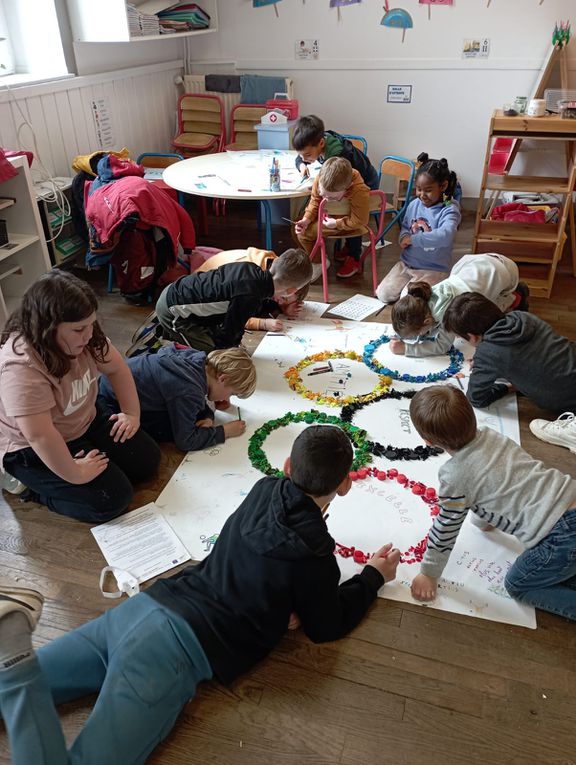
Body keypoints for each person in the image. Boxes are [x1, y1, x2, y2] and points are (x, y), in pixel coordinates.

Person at [0, 425, 401, 764]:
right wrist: (371, 577)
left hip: (144, 608)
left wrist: (283, 602)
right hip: (172, 655)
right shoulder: (315, 557)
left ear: (287, 467)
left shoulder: (264, 489)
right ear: (346, 485)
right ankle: (16, 659)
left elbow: (259, 555)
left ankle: (12, 660)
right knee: (20, 684)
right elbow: (325, 626)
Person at [0, 271, 160, 523]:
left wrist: (131, 414)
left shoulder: (87, 337)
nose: (88, 335)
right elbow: (40, 435)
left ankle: (78, 468)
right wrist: (74, 473)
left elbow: (118, 369)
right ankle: (31, 489)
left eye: (91, 324)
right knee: (111, 499)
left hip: (82, 417)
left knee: (147, 462)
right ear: (47, 329)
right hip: (33, 448)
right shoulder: (20, 367)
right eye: (78, 329)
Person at [408, 385, 576, 621]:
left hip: (560, 536)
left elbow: (445, 528)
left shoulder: (454, 475)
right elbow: (497, 481)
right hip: (570, 495)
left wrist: (429, 573)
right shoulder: (492, 435)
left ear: (428, 441)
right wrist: (484, 519)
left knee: (519, 584)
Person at [152, 247, 312, 353]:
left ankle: (166, 332)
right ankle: (166, 339)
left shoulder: (253, 270)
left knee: (227, 345)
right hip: (173, 312)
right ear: (292, 291)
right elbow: (230, 332)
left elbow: (248, 307)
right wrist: (232, 351)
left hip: (177, 292)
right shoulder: (250, 296)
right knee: (216, 354)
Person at [98, 345, 256, 452]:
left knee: (189, 416)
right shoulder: (188, 390)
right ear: (222, 378)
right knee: (170, 430)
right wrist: (224, 431)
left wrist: (206, 415)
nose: (228, 398)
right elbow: (186, 441)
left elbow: (189, 396)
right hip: (112, 404)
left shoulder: (197, 358)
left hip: (109, 383)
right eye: (231, 393)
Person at [442, 291, 576, 412]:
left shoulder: (488, 354)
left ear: (472, 336)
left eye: (461, 338)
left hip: (566, 401)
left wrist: (508, 388)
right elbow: (527, 355)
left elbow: (476, 398)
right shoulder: (521, 317)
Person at [389, 253, 526, 357]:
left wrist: (406, 349)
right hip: (479, 262)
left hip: (505, 271)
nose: (417, 337)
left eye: (417, 334)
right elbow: (416, 320)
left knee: (484, 318)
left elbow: (442, 346)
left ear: (426, 321)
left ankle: (515, 297)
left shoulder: (447, 314)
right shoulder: (418, 296)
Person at [292, 115, 379, 278]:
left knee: (348, 211)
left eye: (308, 156)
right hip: (338, 187)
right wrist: (302, 164)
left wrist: (337, 223)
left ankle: (354, 256)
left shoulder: (343, 162)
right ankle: (343, 248)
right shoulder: (322, 166)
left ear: (321, 144)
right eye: (303, 155)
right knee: (333, 209)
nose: (305, 159)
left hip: (367, 182)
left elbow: (358, 217)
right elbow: (315, 199)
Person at [376, 154, 461, 304]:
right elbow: (405, 227)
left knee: (408, 300)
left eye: (428, 190)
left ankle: (426, 289)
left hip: (434, 269)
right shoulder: (414, 204)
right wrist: (403, 237)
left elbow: (446, 235)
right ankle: (410, 289)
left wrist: (414, 240)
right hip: (407, 264)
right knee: (384, 294)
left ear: (443, 186)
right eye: (419, 189)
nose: (422, 195)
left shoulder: (449, 208)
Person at [195, 246, 310, 330]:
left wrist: (283, 308)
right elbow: (232, 316)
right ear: (290, 291)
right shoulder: (249, 282)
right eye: (284, 298)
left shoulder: (278, 268)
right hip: (199, 297)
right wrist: (261, 324)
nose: (280, 300)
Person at [295, 157, 370, 279]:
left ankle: (319, 262)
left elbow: (360, 220)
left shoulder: (358, 190)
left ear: (348, 186)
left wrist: (337, 223)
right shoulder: (321, 178)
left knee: (303, 234)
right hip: (329, 218)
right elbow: (314, 202)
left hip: (347, 223)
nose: (327, 200)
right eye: (323, 194)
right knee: (298, 226)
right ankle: (318, 258)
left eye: (333, 198)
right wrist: (306, 219)